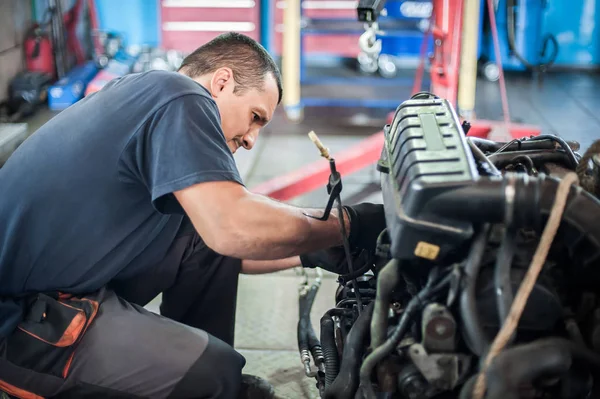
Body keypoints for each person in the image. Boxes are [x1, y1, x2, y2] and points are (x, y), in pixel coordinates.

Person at [0, 32, 386, 398]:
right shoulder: (180, 95)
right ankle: (205, 381)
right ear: (221, 82)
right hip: (21, 324)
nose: (252, 139)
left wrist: (309, 250)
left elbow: (213, 237)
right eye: (255, 116)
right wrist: (346, 224)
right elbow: (230, 225)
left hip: (57, 293)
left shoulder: (144, 99)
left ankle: (199, 374)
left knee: (196, 242)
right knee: (215, 375)